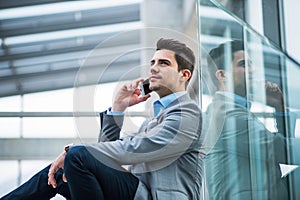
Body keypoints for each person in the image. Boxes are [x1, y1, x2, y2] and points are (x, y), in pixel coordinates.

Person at [1, 38, 203, 200]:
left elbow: (135, 149)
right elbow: (104, 155)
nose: (153, 68)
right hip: (138, 192)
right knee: (60, 173)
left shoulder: (187, 113)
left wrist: (78, 151)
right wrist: (118, 108)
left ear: (184, 74)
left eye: (163, 63)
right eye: (153, 63)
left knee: (78, 156)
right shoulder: (151, 122)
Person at [202, 40, 292, 200]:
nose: (253, 69)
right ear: (222, 75)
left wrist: (279, 108)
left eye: (252, 64)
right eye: (244, 64)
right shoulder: (225, 114)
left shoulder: (233, 110)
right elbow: (282, 150)